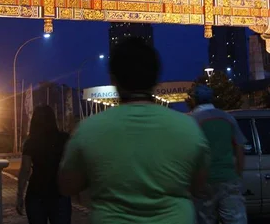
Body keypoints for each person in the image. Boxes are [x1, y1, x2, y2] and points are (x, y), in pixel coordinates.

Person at [58, 37, 210, 223]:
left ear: (113, 79)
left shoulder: (88, 130)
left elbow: (68, 186)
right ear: (156, 79)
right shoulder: (188, 128)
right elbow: (200, 186)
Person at [191, 84, 247, 224]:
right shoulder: (228, 118)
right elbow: (240, 147)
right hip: (228, 179)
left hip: (204, 182)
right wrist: (238, 173)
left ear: (194, 100)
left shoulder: (192, 121)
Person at [17, 105, 71, 224]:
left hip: (36, 192)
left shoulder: (31, 142)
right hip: (59, 192)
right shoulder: (64, 139)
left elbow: (25, 170)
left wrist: (20, 195)